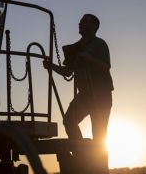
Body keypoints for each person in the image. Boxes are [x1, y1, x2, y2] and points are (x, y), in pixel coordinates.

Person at [43, 14, 114, 145]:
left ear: (94, 27)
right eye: (80, 21)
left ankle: (98, 163)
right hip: (85, 96)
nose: (80, 24)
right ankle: (82, 153)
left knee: (99, 134)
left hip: (101, 96)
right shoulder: (75, 48)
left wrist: (90, 59)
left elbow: (106, 67)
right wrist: (51, 66)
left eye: (84, 22)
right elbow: (67, 72)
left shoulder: (100, 44)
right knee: (69, 121)